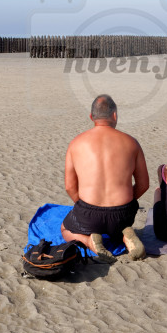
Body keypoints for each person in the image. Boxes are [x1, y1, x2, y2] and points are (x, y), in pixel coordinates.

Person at [61, 94, 150, 260]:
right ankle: (125, 234)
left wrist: (84, 207)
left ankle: (89, 241)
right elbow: (143, 184)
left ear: (91, 117)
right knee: (119, 225)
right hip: (123, 213)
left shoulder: (76, 143)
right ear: (114, 115)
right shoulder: (131, 142)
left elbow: (69, 187)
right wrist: (127, 201)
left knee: (65, 229)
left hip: (89, 213)